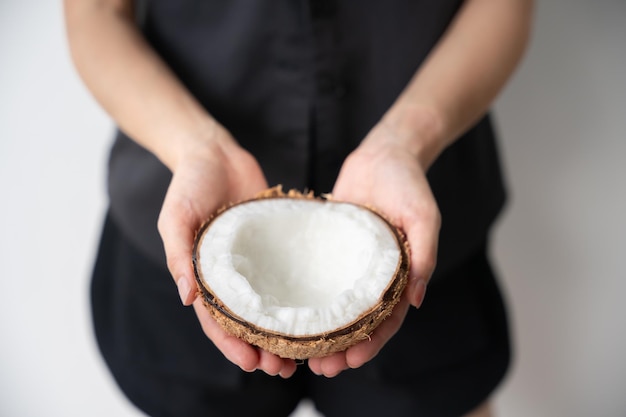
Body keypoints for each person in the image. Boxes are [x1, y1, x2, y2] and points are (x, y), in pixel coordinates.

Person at [64, 0, 533, 416]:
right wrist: (195, 148)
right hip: (183, 217)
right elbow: (96, 11)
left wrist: (407, 141)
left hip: (419, 224)